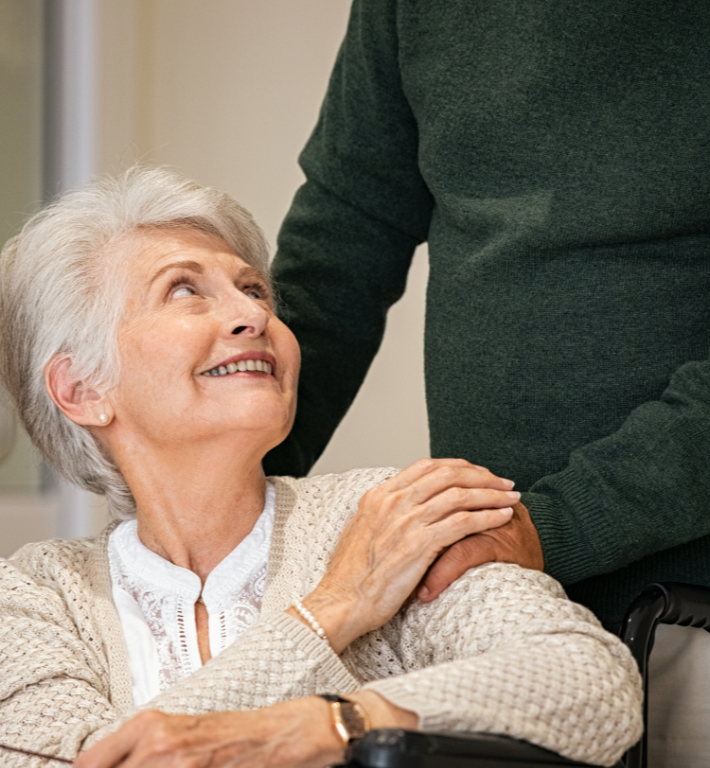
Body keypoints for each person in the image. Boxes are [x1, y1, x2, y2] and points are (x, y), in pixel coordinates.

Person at [0, 167, 641, 768]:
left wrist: (334, 723)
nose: (250, 313)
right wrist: (330, 611)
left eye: (254, 290)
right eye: (185, 290)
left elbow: (595, 687)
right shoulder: (31, 597)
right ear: (82, 389)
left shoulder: (386, 517)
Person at [260, 2, 709, 763]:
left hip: (685, 606)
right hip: (491, 590)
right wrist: (237, 483)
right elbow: (344, 236)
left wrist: (550, 526)